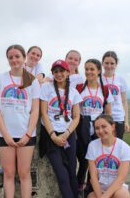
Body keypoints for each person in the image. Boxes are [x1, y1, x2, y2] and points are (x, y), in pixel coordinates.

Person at [0, 44, 40, 198]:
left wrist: (28, 134)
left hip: (26, 133)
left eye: (17, 56)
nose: (14, 60)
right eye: (10, 57)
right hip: (4, 134)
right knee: (9, 173)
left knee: (24, 173)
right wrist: (5, 135)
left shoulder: (32, 80)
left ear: (24, 58)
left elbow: (35, 110)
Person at [39, 59, 82, 198]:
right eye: (56, 71)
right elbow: (44, 113)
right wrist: (53, 135)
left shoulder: (74, 92)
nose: (59, 74)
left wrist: (66, 133)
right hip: (51, 136)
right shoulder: (46, 88)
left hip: (68, 134)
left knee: (71, 172)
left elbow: (76, 117)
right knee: (62, 175)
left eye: (62, 71)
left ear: (68, 72)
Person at [76, 59, 114, 191]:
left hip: (99, 127)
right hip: (82, 126)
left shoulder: (104, 90)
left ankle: (91, 186)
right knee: (83, 159)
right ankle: (79, 185)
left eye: (92, 69)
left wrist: (109, 131)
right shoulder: (80, 88)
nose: (88, 72)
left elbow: (108, 113)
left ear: (99, 71)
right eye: (86, 69)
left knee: (96, 158)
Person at [86, 114, 130, 198]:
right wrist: (101, 196)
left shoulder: (124, 147)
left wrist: (105, 196)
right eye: (97, 128)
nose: (100, 131)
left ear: (113, 126)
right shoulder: (92, 146)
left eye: (104, 126)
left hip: (117, 188)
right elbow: (93, 177)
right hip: (99, 189)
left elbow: (121, 178)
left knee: (123, 195)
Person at [101, 51, 130, 139]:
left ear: (116, 64)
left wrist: (126, 121)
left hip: (118, 117)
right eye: (106, 63)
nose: (109, 66)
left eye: (112, 63)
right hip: (103, 117)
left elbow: (124, 101)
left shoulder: (121, 79)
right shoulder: (98, 79)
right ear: (102, 63)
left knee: (117, 145)